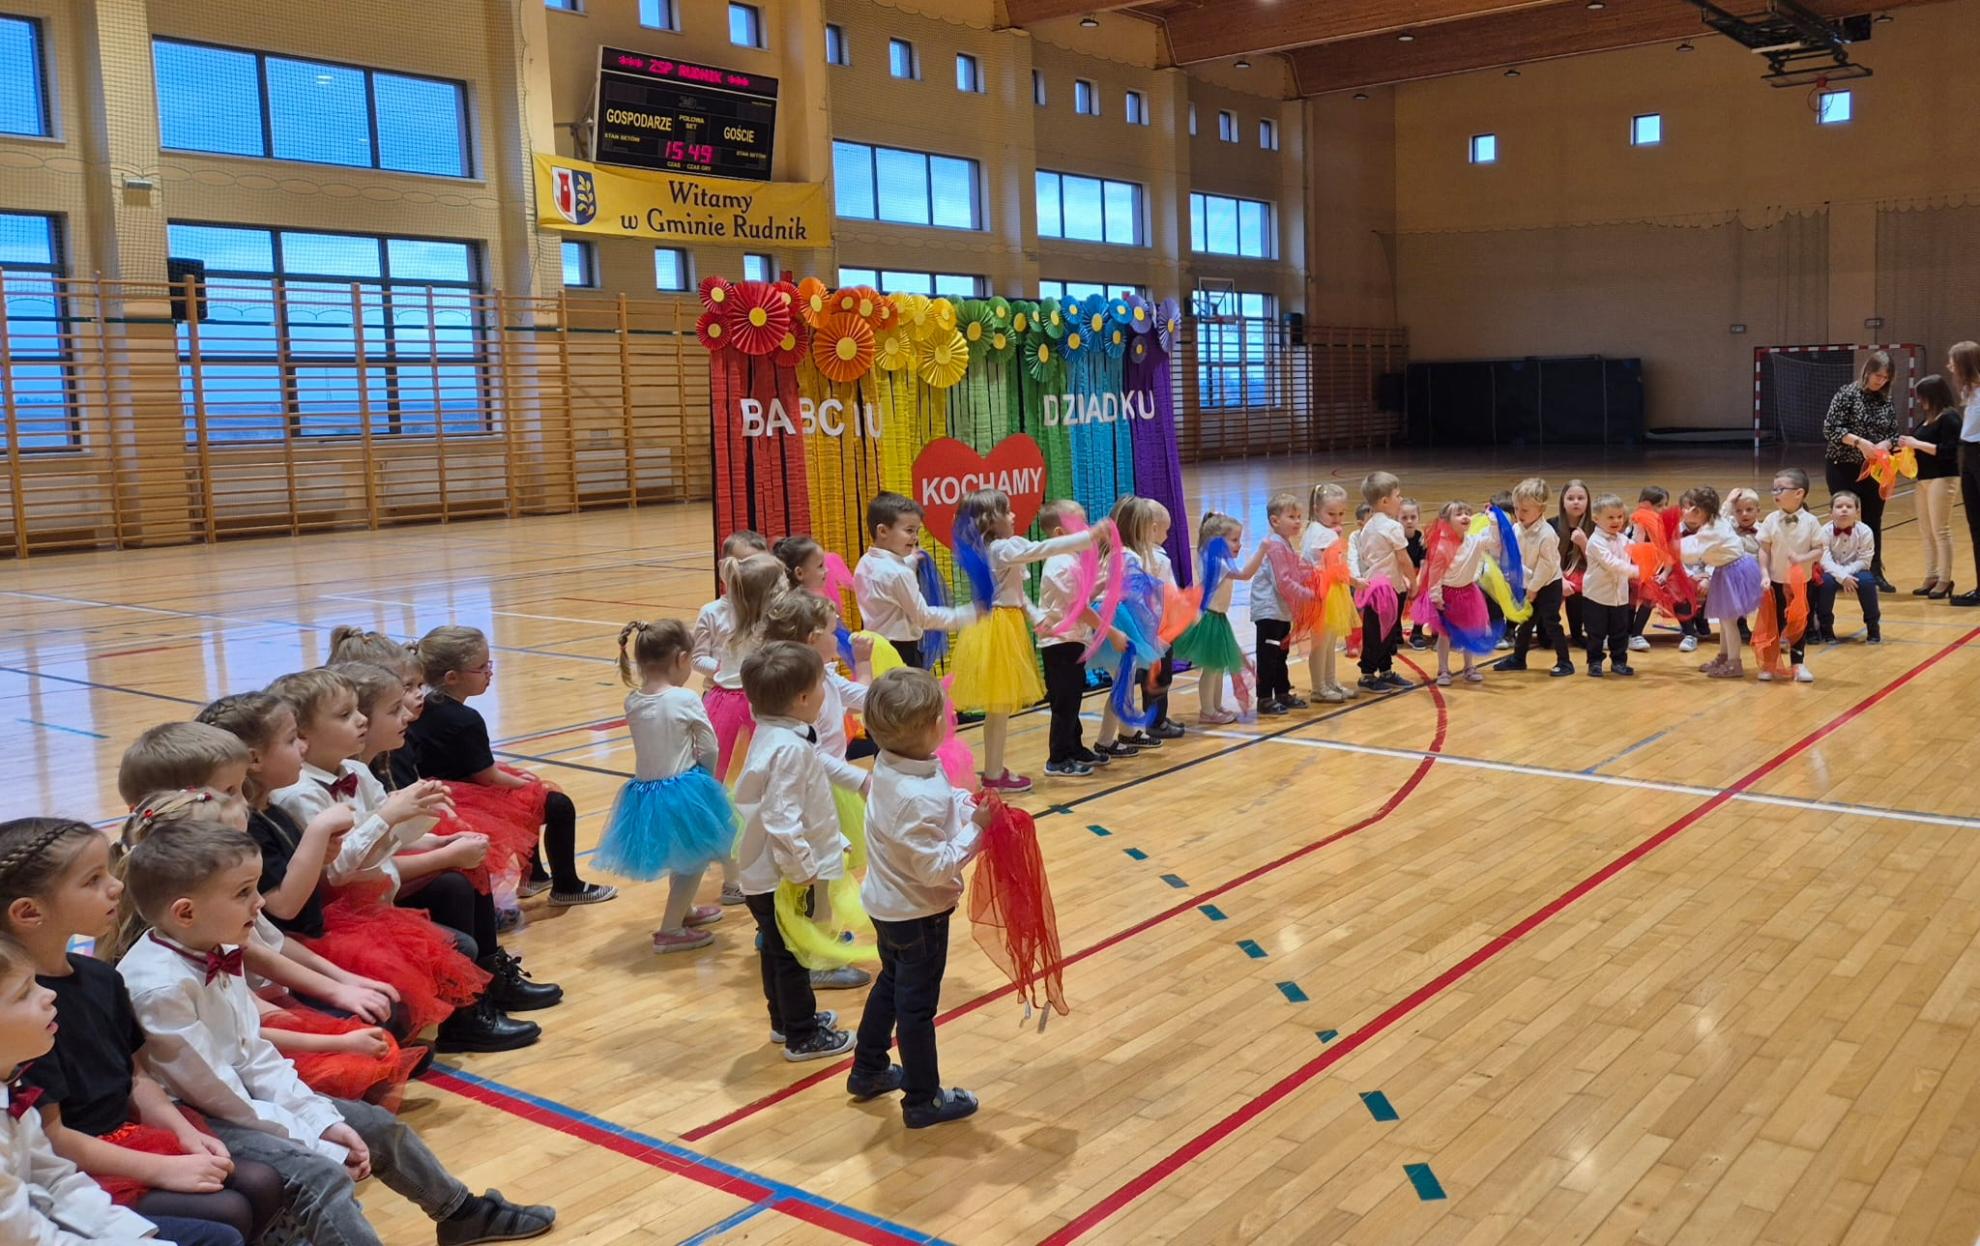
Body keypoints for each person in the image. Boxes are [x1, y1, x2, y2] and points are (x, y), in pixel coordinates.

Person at [114, 822, 556, 1246]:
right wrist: (314, 1138)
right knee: (319, 1174)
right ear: (185, 912)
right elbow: (216, 1091)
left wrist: (322, 1119)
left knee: (378, 1127)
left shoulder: (215, 945)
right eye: (243, 892)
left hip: (237, 1096)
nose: (259, 903)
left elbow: (254, 1055)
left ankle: (459, 1213)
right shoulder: (160, 988)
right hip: (194, 1116)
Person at [0, 818, 288, 1243]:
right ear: (29, 912)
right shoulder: (20, 1022)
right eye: (93, 880)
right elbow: (54, 1140)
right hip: (88, 1157)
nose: (117, 886)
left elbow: (136, 1076)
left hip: (122, 1138)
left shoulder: (101, 978)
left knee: (260, 1183)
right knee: (227, 1211)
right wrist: (162, 1168)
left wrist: (186, 1134)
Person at [195, 693, 532, 1054]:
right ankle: (443, 1021)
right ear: (254, 760)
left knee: (457, 897)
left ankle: (481, 1000)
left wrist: (418, 825)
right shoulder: (277, 808)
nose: (302, 747)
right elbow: (301, 899)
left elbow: (370, 855)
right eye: (293, 739)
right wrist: (384, 821)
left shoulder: (278, 805)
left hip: (319, 927)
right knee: (397, 1008)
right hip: (318, 929)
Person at [1, 931, 246, 1246]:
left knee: (221, 1236)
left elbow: (58, 1181)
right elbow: (26, 1239)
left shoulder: (14, 1086)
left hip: (48, 1223)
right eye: (24, 993)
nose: (48, 994)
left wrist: (137, 1234)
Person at [846, 668, 993, 1130]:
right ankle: (923, 1100)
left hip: (890, 906)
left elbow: (941, 794)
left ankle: (869, 1068)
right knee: (916, 1008)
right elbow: (934, 866)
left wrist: (965, 806)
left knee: (892, 985)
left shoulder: (895, 761)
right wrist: (976, 831)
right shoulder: (912, 796)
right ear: (931, 727)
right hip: (917, 916)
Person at [406, 625, 615, 908]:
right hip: (465, 798)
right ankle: (567, 886)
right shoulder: (466, 719)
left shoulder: (422, 706)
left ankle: (535, 876)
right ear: (452, 677)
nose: (489, 672)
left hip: (437, 791)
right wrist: (527, 784)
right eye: (482, 667)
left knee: (524, 798)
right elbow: (487, 776)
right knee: (552, 802)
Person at [730, 642, 855, 1062]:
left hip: (767, 872)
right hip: (782, 876)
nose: (825, 692)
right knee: (792, 954)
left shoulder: (774, 733)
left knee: (776, 948)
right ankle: (803, 1035)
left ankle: (785, 1021)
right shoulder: (789, 749)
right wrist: (802, 871)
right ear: (802, 699)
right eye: (821, 685)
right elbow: (782, 819)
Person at [757, 593, 876, 992]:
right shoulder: (804, 694)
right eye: (832, 631)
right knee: (821, 878)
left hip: (825, 789)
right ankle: (818, 960)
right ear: (812, 639)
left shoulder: (821, 677)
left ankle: (804, 939)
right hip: (816, 793)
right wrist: (859, 780)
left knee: (829, 873)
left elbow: (862, 697)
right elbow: (814, 755)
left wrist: (897, 688)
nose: (838, 636)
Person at [947, 488, 1101, 793]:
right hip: (999, 629)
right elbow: (1041, 549)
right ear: (991, 519)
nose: (1014, 515)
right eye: (1007, 511)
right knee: (999, 707)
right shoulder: (1000, 549)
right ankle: (994, 773)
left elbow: (1015, 595)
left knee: (999, 708)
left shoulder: (995, 550)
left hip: (1004, 624)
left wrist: (1037, 617)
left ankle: (994, 769)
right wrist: (1089, 536)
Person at [595, 620, 734, 954]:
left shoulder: (633, 700)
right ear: (682, 658)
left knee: (681, 855)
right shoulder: (685, 698)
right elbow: (709, 746)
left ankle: (684, 910)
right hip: (685, 788)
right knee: (694, 860)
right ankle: (670, 929)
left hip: (645, 793)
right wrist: (705, 781)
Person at [1035, 501, 1117, 772]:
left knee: (1073, 699)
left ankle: (1074, 747)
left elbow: (1079, 598)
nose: (1087, 528)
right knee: (1064, 702)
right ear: (1060, 533)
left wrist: (1100, 585)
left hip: (1073, 640)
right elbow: (1078, 609)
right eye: (1080, 524)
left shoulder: (1070, 560)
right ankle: (1057, 759)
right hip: (1060, 644)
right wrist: (1111, 632)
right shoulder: (1060, 564)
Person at [700, 554, 793, 786]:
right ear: (770, 594)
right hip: (748, 706)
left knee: (737, 776)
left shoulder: (739, 631)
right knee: (747, 772)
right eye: (783, 582)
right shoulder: (765, 634)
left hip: (727, 702)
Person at [853, 494, 974, 669]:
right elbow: (923, 617)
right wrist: (965, 615)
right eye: (909, 530)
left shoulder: (866, 562)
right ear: (883, 531)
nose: (915, 537)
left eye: (917, 531)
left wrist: (912, 560)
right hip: (901, 653)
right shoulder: (900, 574)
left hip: (875, 651)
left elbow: (889, 582)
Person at [1171, 511, 1265, 723]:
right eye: (1234, 540)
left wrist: (1210, 521)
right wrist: (1261, 551)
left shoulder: (1209, 555)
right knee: (1212, 668)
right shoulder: (1216, 561)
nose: (1239, 545)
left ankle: (1215, 706)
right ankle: (1207, 711)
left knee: (1217, 666)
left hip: (1218, 618)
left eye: (1239, 539)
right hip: (1209, 619)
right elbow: (1245, 575)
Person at [1822, 350, 1898, 590]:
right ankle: (1838, 572)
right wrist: (1859, 443)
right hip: (1843, 466)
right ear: (1867, 371)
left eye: (1885, 378)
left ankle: (1874, 571)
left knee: (1873, 520)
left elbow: (1894, 434)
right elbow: (1830, 428)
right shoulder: (1847, 394)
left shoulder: (1885, 400)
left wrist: (1887, 443)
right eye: (1877, 375)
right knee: (1843, 518)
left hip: (1875, 470)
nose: (1880, 381)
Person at [1410, 501, 1495, 686]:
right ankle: (1443, 669)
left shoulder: (1474, 541)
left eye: (1467, 513)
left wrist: (1493, 520)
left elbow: (1494, 541)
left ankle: (1469, 667)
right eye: (1459, 514)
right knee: (1445, 634)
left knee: (1471, 631)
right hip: (1447, 595)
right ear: (1446, 521)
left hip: (1469, 593)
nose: (1465, 516)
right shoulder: (1441, 546)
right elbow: (1435, 574)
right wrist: (1436, 597)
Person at [1495, 478, 1573, 677]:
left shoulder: (1547, 535)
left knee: (1551, 623)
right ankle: (1518, 659)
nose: (1519, 514)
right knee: (1525, 624)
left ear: (1541, 509)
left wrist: (1533, 588)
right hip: (1529, 583)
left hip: (1548, 585)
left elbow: (1546, 567)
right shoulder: (1517, 529)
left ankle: (1565, 662)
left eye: (1525, 510)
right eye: (1516, 509)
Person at [1682, 486, 1762, 679]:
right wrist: (1729, 500)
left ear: (1699, 511)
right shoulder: (1716, 518)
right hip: (1726, 571)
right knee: (1725, 621)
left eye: (1686, 507)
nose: (1683, 511)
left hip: (1733, 573)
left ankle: (1734, 663)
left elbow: (1691, 552)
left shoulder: (1711, 532)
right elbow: (1724, 510)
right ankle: (1724, 656)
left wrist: (1668, 548)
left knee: (1729, 622)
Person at [1757, 467, 1825, 682]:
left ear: (1799, 493)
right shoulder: (1771, 519)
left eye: (1780, 489)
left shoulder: (1811, 521)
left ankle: (1798, 663)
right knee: (1773, 622)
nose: (1775, 493)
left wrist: (1802, 558)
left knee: (1799, 623)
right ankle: (1769, 663)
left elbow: (1819, 550)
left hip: (1802, 582)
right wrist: (1764, 573)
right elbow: (1764, 549)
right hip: (1776, 581)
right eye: (1773, 489)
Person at [1248, 492, 1311, 715]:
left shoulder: (1285, 544)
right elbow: (1283, 582)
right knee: (1268, 656)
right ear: (1275, 521)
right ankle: (1265, 698)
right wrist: (1308, 595)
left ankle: (1282, 692)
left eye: (1299, 516)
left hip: (1281, 611)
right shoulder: (1275, 545)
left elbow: (1296, 571)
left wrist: (1315, 575)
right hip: (1269, 612)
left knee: (1280, 654)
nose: (1297, 521)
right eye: (1291, 517)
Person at [1902, 373, 1962, 598]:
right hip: (1923, 479)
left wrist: (1917, 443)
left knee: (1940, 530)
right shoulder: (1927, 420)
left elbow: (1949, 451)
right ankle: (1931, 575)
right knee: (1926, 531)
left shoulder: (1950, 418)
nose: (1919, 401)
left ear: (1933, 395)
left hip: (1943, 478)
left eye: (1922, 396)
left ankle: (1945, 579)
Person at [1355, 472, 1416, 692]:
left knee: (1384, 631)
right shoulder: (1392, 527)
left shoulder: (1368, 526)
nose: (1401, 499)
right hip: (1386, 588)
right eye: (1397, 496)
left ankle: (1385, 669)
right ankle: (1367, 674)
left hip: (1376, 587)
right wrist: (1413, 581)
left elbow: (1365, 556)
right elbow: (1403, 558)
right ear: (1384, 501)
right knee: (1379, 633)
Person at [1300, 484, 1360, 704]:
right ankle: (1319, 688)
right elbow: (1330, 567)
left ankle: (1330, 682)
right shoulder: (1321, 534)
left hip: (1333, 591)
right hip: (1323, 592)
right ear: (1317, 510)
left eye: (1341, 513)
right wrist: (1355, 581)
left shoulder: (1323, 530)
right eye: (1331, 513)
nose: (1337, 518)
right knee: (1321, 643)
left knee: (1329, 642)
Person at [1570, 494, 1642, 678]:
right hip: (1597, 597)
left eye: (1619, 516)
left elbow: (1638, 548)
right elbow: (1611, 563)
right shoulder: (1595, 542)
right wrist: (1635, 571)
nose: (1616, 521)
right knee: (1596, 633)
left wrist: (1642, 530)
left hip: (1619, 597)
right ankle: (1594, 662)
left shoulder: (1624, 540)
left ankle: (1619, 662)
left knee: (1620, 632)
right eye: (1610, 517)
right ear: (1596, 518)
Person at [693, 531, 770, 690]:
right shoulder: (710, 612)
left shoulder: (769, 610)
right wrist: (728, 672)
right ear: (724, 567)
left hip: (761, 693)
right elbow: (698, 658)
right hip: (722, 691)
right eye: (744, 566)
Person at [1816, 491, 1881, 645]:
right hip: (1831, 572)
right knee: (1825, 582)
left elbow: (1864, 561)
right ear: (1831, 512)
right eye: (1839, 507)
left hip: (1856, 571)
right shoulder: (1823, 532)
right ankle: (1826, 627)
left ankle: (1873, 626)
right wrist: (1841, 576)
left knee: (1867, 582)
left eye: (1849, 506)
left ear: (1857, 511)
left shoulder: (1865, 531)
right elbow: (1824, 560)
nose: (1844, 509)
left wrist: (1845, 574)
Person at [1952, 341, 1980, 608]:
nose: (1950, 366)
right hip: (1969, 453)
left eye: (1953, 361)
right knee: (1975, 524)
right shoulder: (1969, 391)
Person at [1553, 480, 1593, 651]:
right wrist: (1560, 579)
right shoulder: (1551, 526)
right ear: (1563, 502)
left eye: (1580, 498)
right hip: (1554, 573)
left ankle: (1577, 633)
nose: (1576, 502)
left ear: (1587, 502)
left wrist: (1584, 544)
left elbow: (1597, 562)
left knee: (1578, 586)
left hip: (1583, 575)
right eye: (1570, 498)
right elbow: (1547, 560)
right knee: (1545, 640)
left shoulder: (1594, 527)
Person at [1400, 498, 1429, 650]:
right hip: (1400, 575)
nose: (1409, 521)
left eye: (1413, 517)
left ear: (1418, 518)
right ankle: (1395, 632)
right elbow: (1396, 562)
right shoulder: (1396, 538)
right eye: (1404, 518)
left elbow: (1424, 563)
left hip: (1418, 575)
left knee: (1424, 597)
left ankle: (1417, 632)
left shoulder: (1422, 539)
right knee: (1396, 598)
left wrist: (1417, 582)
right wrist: (1406, 579)